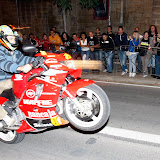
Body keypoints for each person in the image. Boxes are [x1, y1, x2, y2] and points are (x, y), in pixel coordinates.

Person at [0, 25, 34, 128]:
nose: (13, 40)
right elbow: (4, 64)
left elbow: (24, 59)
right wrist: (20, 68)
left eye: (13, 38)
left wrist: (38, 59)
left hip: (12, 79)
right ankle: (5, 119)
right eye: (10, 38)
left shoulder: (15, 52)